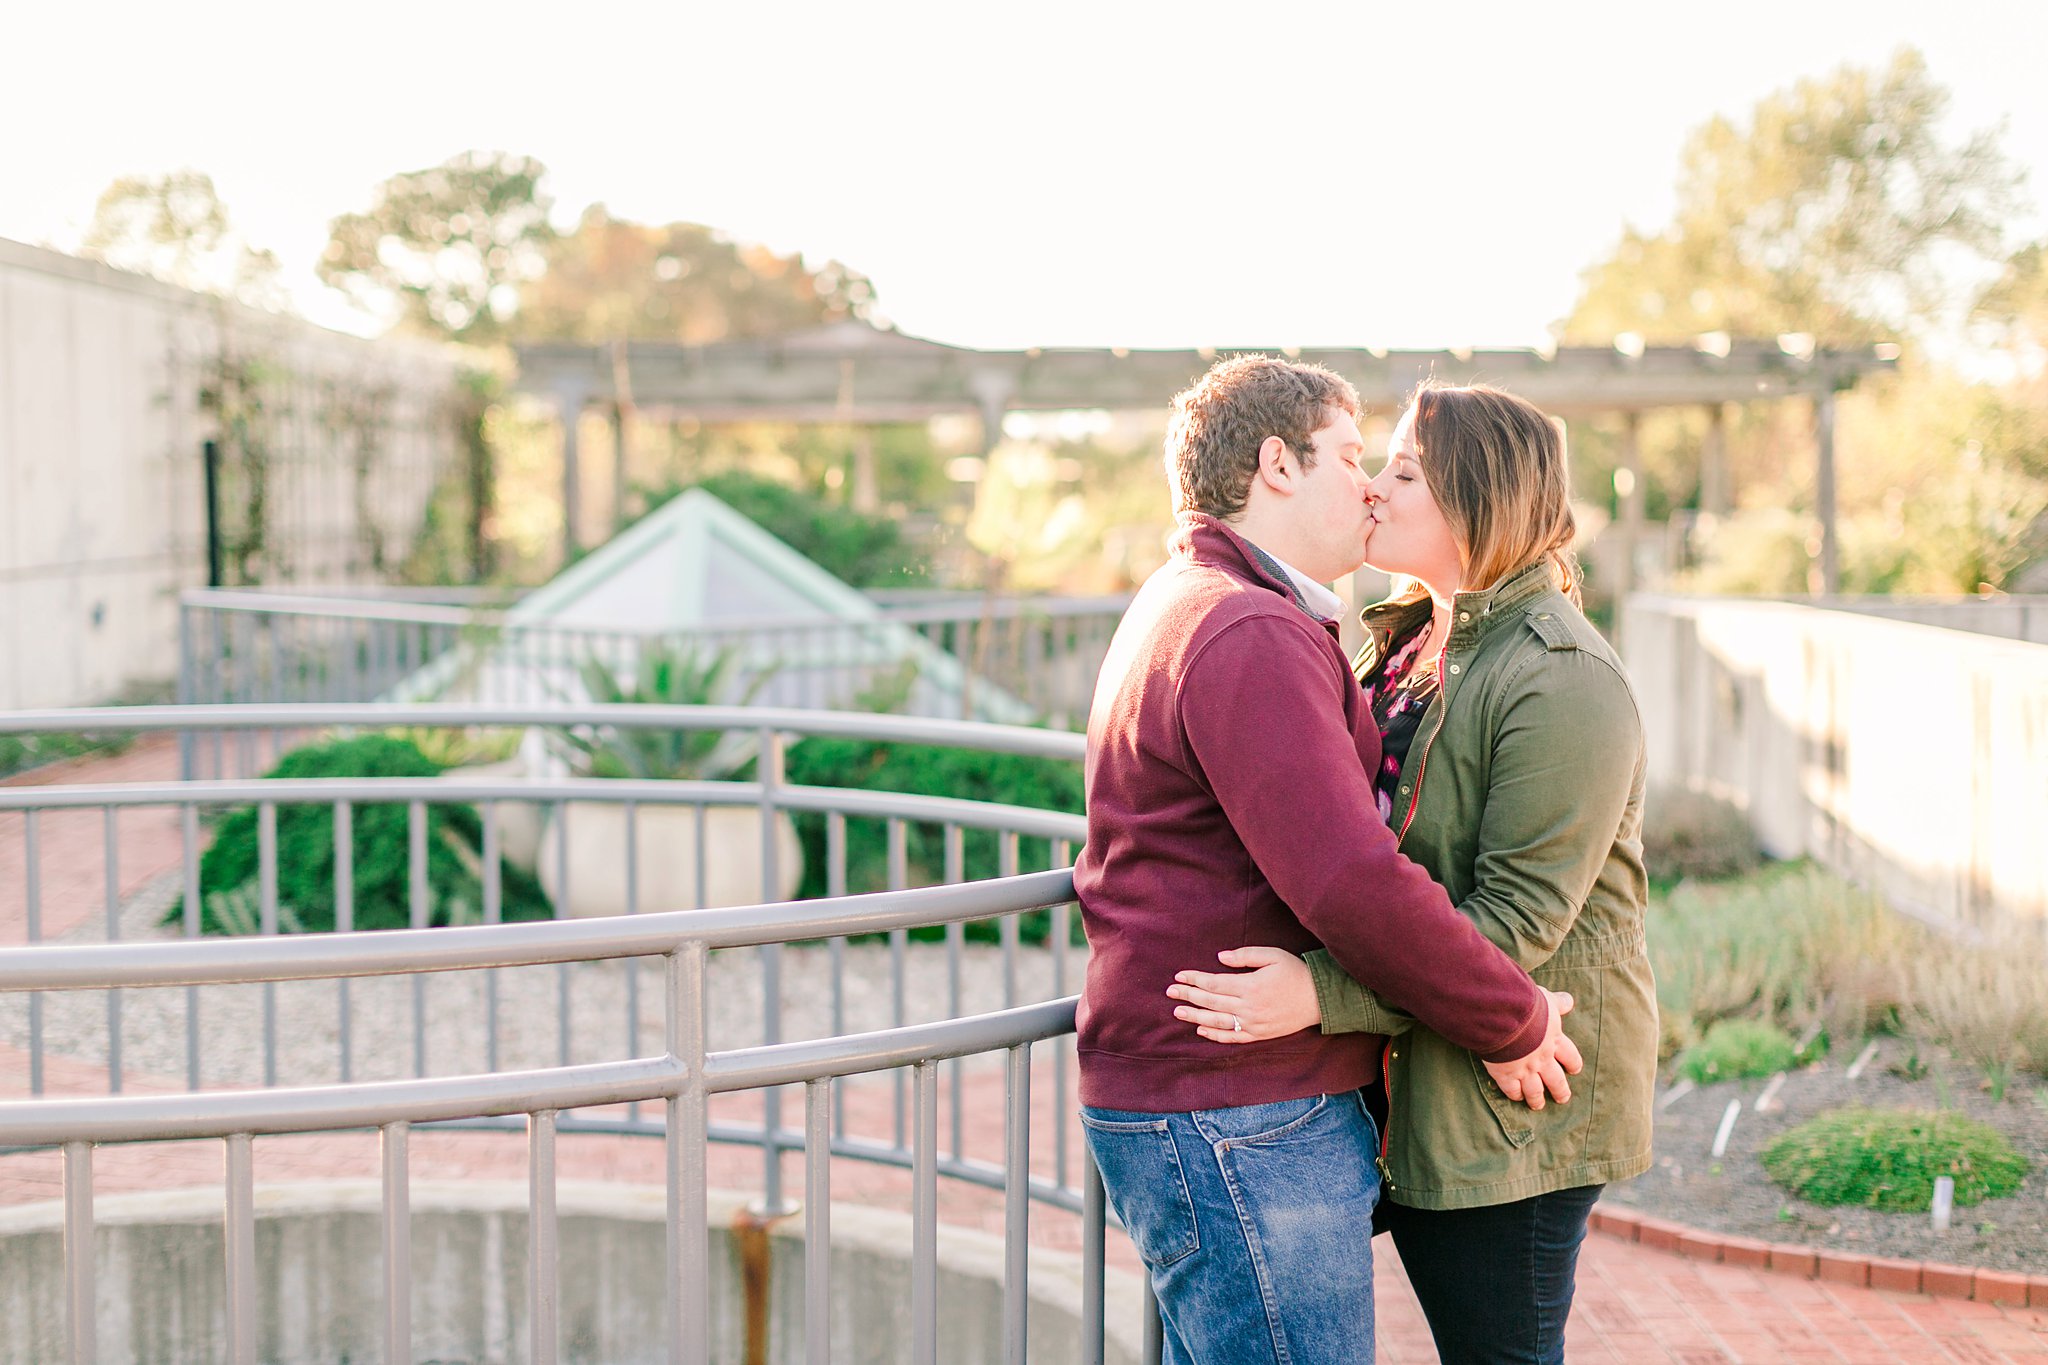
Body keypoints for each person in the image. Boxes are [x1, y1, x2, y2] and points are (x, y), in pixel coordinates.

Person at [1074, 356, 1583, 1365]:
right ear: (1275, 464)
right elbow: (1349, 879)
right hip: (1236, 1114)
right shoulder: (1245, 627)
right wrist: (1510, 1017)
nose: (1366, 484)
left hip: (1212, 1104)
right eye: (1350, 456)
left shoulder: (1199, 597)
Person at [1166, 382, 1657, 1365]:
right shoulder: (1399, 640)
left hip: (1516, 1101)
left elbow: (1517, 922)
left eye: (1401, 469)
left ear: (1478, 497)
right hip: (1436, 1071)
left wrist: (1319, 995)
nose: (1373, 489)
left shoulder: (1559, 676)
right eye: (1371, 465)